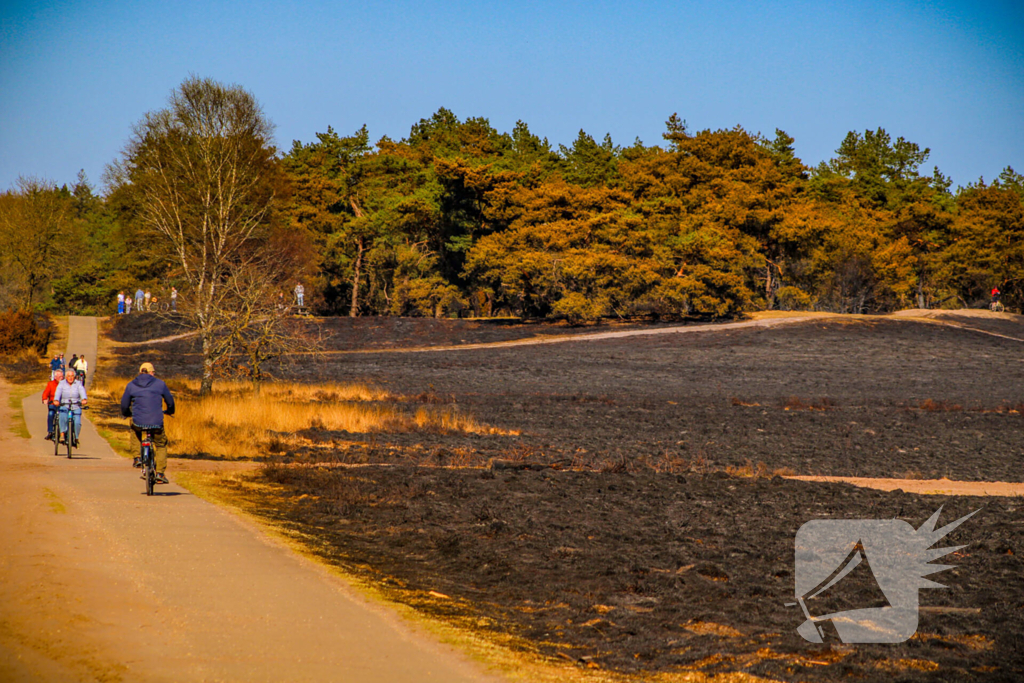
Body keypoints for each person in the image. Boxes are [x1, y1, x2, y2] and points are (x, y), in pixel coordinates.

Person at [120, 362, 175, 484]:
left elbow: (124, 404)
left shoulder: (131, 385)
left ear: (140, 372)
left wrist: (127, 413)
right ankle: (160, 473)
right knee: (160, 445)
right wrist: (170, 411)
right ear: (151, 372)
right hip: (156, 422)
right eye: (153, 372)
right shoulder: (160, 384)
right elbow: (170, 401)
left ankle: (137, 458)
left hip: (138, 421)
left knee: (135, 430)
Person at [53, 368, 87, 446]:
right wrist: (56, 400)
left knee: (77, 422)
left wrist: (84, 399)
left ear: (74, 377)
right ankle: (62, 434)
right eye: (68, 376)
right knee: (62, 416)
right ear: (66, 377)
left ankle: (76, 437)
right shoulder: (61, 383)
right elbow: (58, 392)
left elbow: (82, 391)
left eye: (72, 376)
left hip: (76, 405)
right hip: (64, 404)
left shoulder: (78, 383)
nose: (70, 378)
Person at [42, 369, 63, 440]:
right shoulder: (50, 384)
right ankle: (50, 432)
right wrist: (45, 399)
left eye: (62, 376)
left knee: (63, 416)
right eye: (59, 376)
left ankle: (63, 432)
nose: (61, 378)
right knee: (51, 414)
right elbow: (46, 392)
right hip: (52, 403)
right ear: (55, 377)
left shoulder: (64, 384)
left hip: (62, 404)